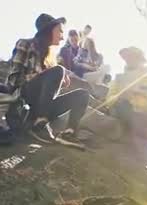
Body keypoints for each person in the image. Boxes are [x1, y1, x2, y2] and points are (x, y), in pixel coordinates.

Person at [6, 13, 89, 144]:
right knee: (58, 70)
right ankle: (40, 123)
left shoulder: (51, 57)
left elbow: (48, 90)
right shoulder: (25, 44)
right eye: (60, 31)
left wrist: (58, 81)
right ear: (48, 30)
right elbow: (13, 80)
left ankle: (68, 133)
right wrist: (48, 75)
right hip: (24, 100)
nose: (62, 37)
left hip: (41, 106)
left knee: (83, 95)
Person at [105, 46, 147, 140]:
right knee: (123, 104)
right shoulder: (120, 78)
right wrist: (120, 96)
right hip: (126, 110)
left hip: (145, 112)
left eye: (135, 58)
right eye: (129, 58)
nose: (131, 62)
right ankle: (139, 130)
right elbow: (108, 101)